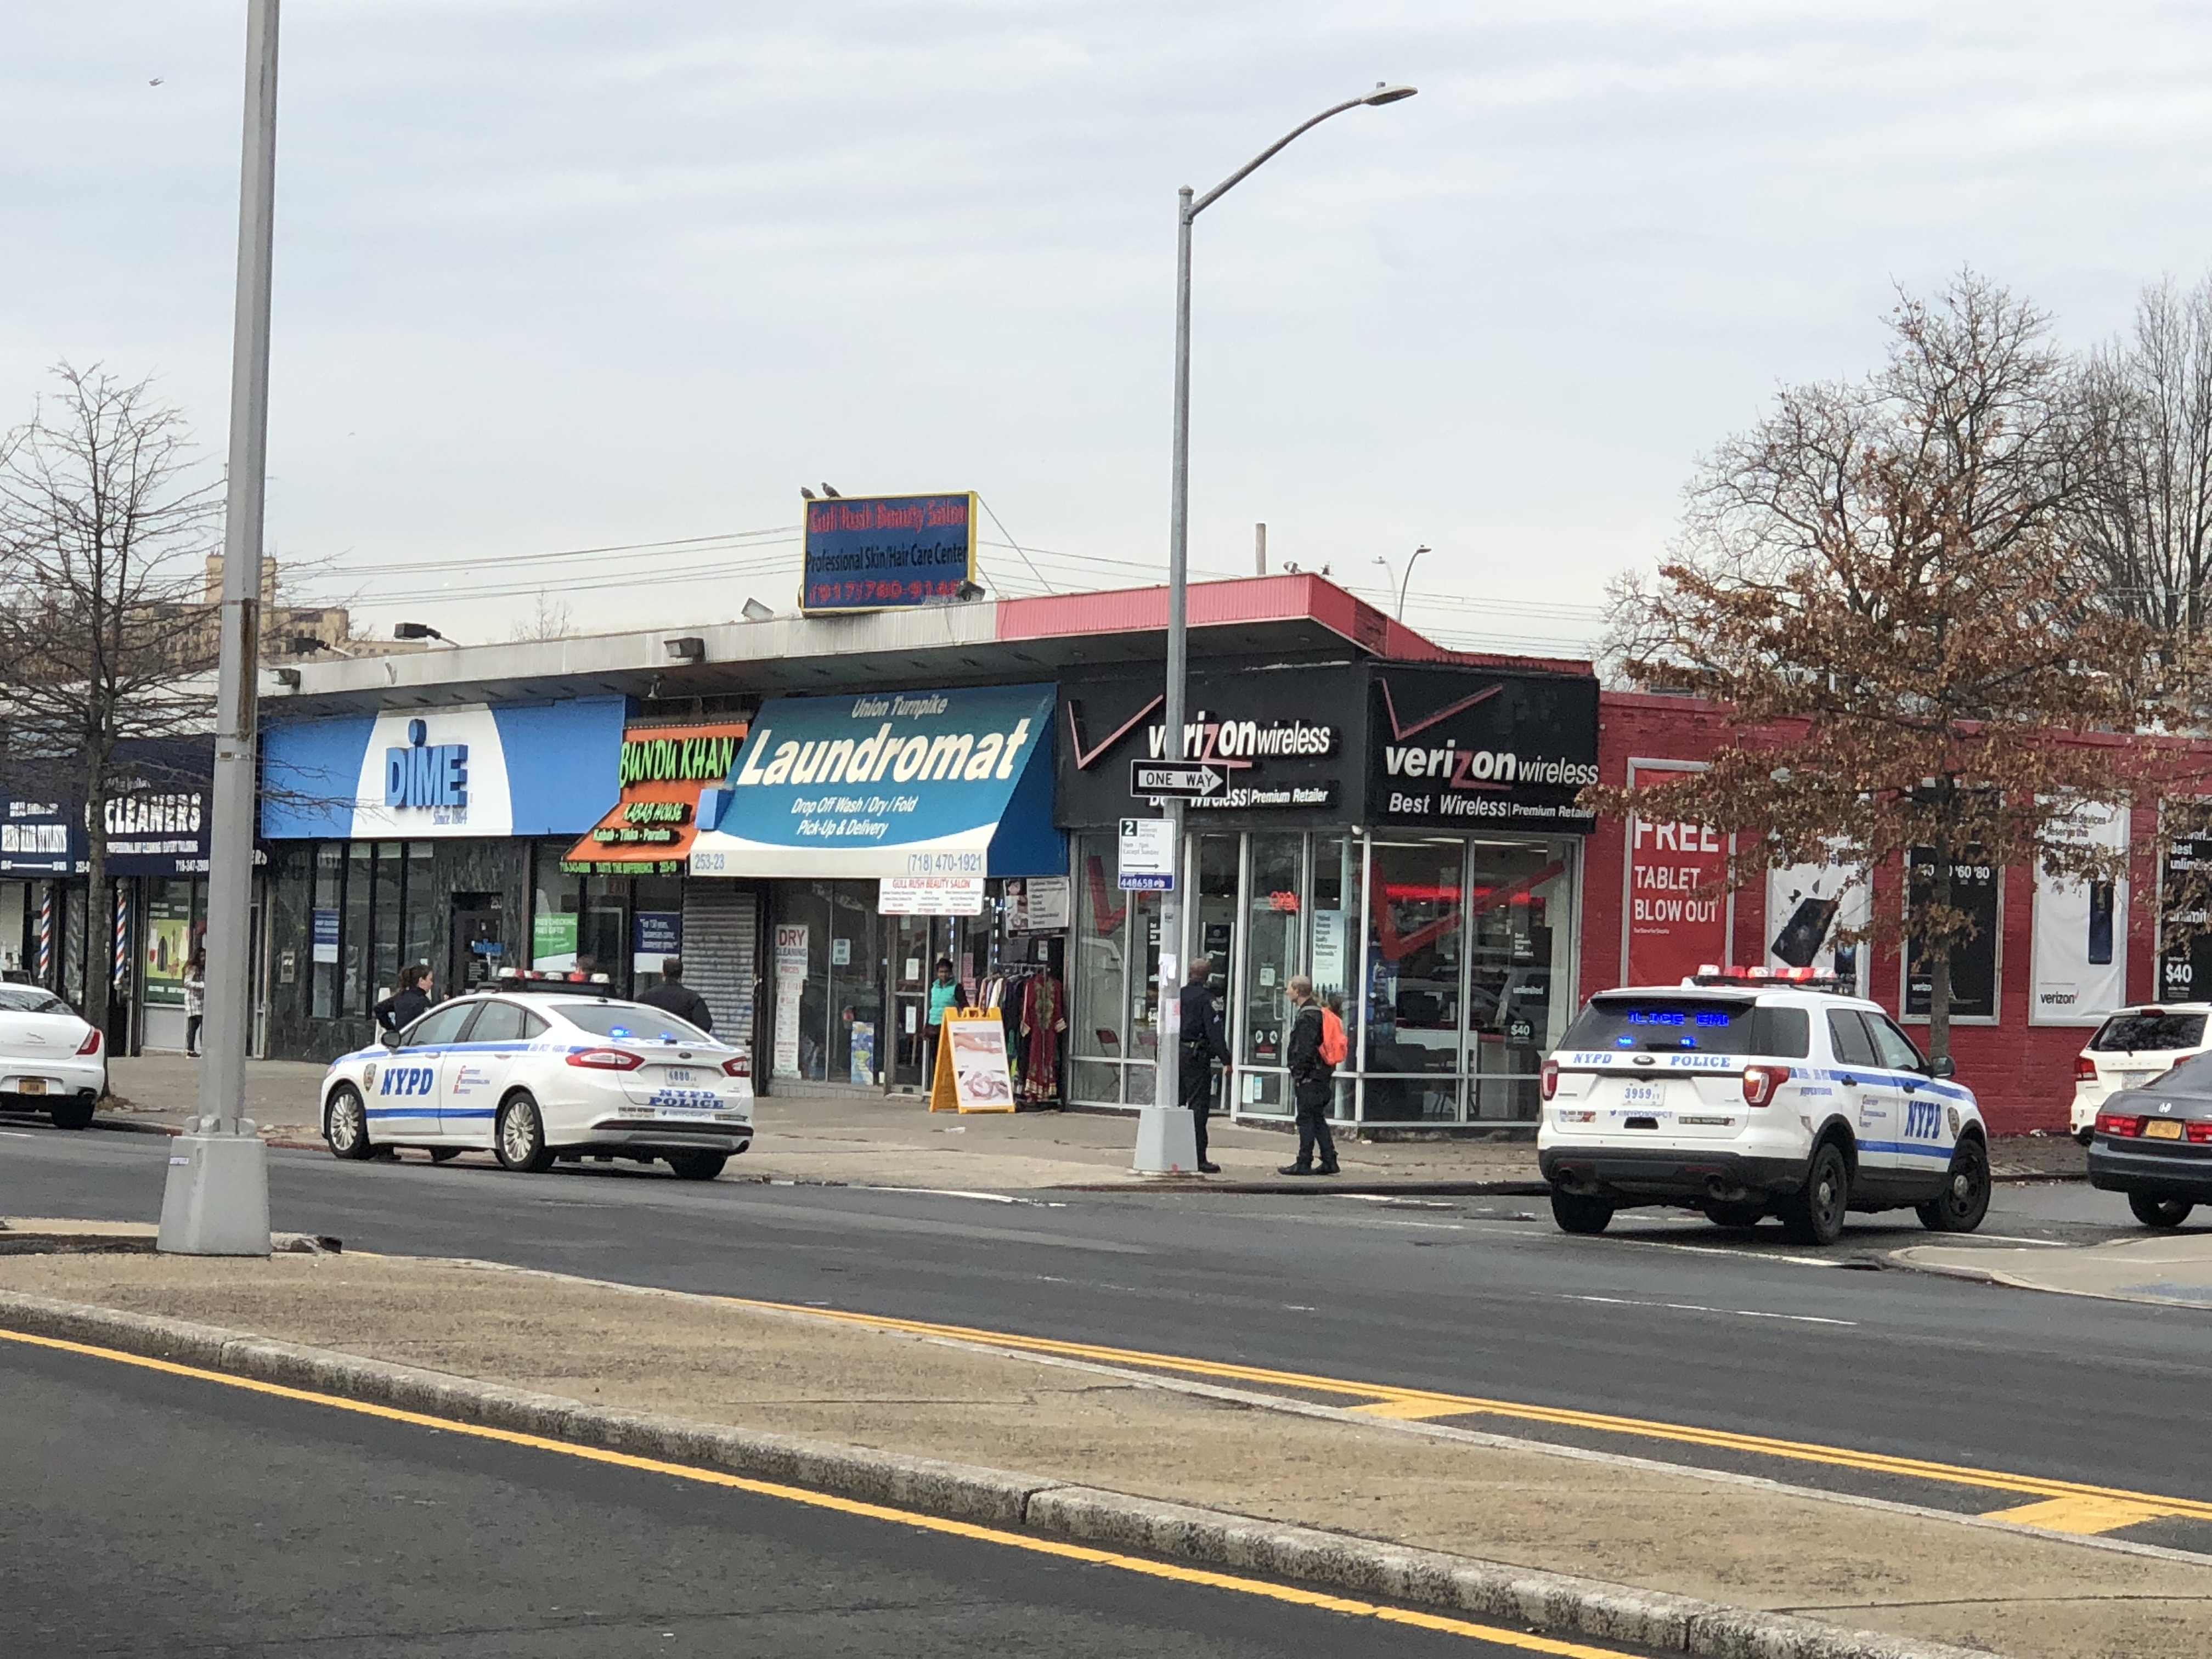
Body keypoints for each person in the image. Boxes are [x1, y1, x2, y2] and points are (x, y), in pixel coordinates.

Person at [1279, 974, 1340, 1176]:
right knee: (1317, 1118)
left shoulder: (1307, 1017)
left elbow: (1304, 1049)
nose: (1287, 992)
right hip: (1321, 1075)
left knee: (1305, 1118)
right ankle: (1330, 1160)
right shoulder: (1319, 1013)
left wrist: (1299, 1073)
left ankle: (1304, 1162)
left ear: (1297, 991)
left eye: (1289, 988)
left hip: (1311, 1078)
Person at [1178, 956, 1231, 1173]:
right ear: (1207, 976)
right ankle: (1198, 1157)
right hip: (1196, 1057)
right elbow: (1214, 1033)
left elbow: (1164, 1026)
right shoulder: (1207, 999)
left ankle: (1176, 1152)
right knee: (1198, 1108)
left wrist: (1158, 1058)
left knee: (1176, 1104)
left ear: (1190, 973)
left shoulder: (1177, 995)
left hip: (1176, 1055)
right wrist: (1226, 1060)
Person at [637, 956, 713, 1033]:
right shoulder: (692, 998)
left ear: (663, 973)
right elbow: (705, 1024)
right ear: (681, 974)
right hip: (682, 1042)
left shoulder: (647, 996)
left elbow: (634, 1018)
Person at [923, 956, 966, 1086]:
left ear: (951, 972)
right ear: (937, 973)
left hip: (948, 1026)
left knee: (949, 1058)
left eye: (946, 972)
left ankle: (951, 1084)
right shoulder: (934, 987)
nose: (944, 975)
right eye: (941, 972)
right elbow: (933, 1007)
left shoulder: (957, 987)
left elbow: (965, 1006)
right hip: (934, 1025)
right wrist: (926, 1026)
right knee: (935, 1057)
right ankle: (937, 1084)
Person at [374, 964, 433, 1036]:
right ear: (421, 981)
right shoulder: (423, 1001)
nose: (432, 984)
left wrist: (393, 1030)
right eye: (430, 980)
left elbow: (379, 1009)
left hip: (401, 1040)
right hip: (416, 1042)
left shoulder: (401, 997)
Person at [183, 951, 206, 1057]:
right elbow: (187, 983)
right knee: (203, 1024)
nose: (204, 958)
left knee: (193, 1026)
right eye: (202, 956)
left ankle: (190, 1050)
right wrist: (201, 985)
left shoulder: (203, 968)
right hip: (194, 999)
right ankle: (203, 1049)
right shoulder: (193, 968)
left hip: (199, 999)